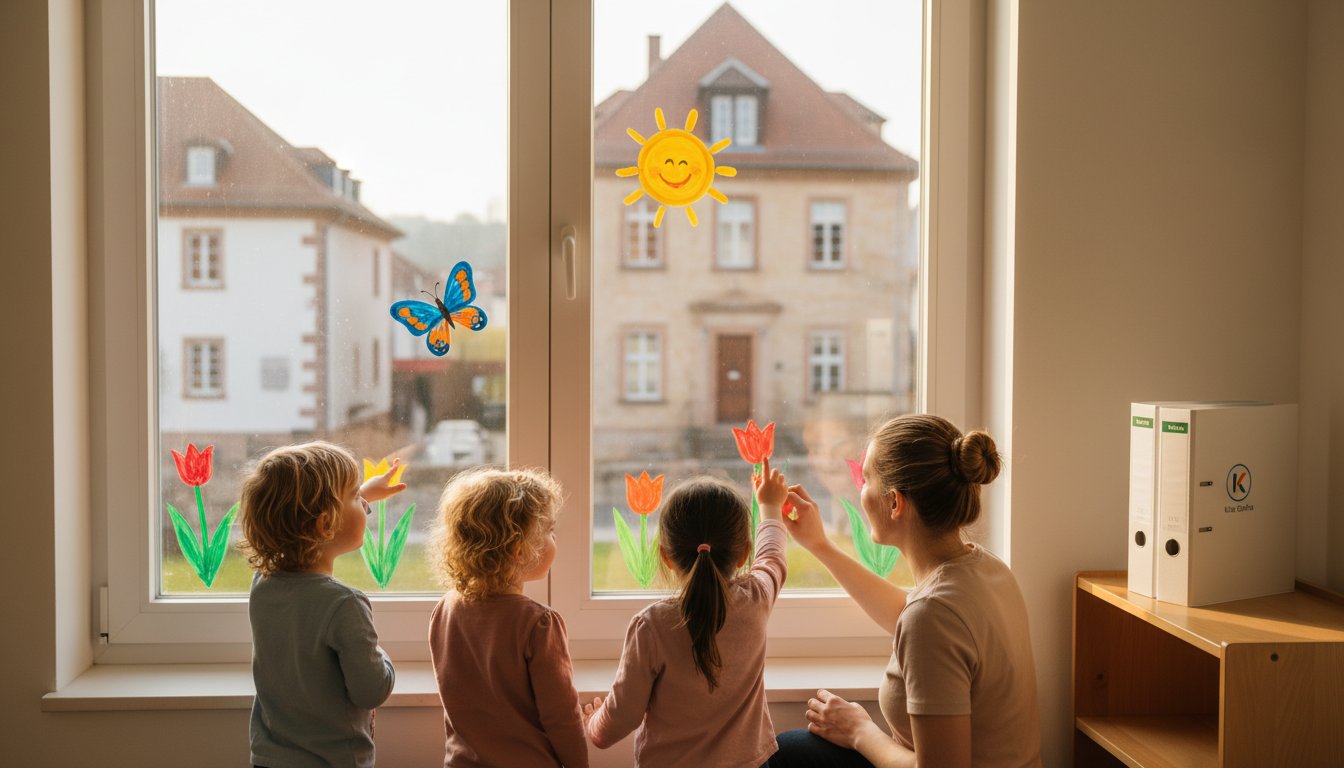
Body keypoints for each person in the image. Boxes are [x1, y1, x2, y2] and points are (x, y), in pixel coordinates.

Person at [769, 415, 1042, 768]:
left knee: (787, 754)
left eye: (866, 479)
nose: (860, 489)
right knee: (794, 748)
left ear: (895, 503)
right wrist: (820, 545)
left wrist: (860, 731)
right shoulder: (986, 569)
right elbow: (906, 610)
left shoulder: (932, 617)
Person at [583, 462, 791, 767]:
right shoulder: (757, 598)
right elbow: (773, 556)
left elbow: (621, 717)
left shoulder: (652, 626)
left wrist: (594, 726)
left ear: (666, 556)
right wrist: (770, 505)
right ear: (744, 553)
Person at [240, 441, 405, 768]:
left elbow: (311, 520)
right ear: (325, 524)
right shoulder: (344, 604)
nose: (362, 502)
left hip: (269, 758)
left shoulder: (263, 584)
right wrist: (382, 654)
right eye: (354, 497)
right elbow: (371, 691)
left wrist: (364, 497)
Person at [427, 468, 589, 768]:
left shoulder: (445, 610)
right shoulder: (538, 624)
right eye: (549, 531)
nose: (555, 539)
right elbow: (562, 718)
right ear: (519, 550)